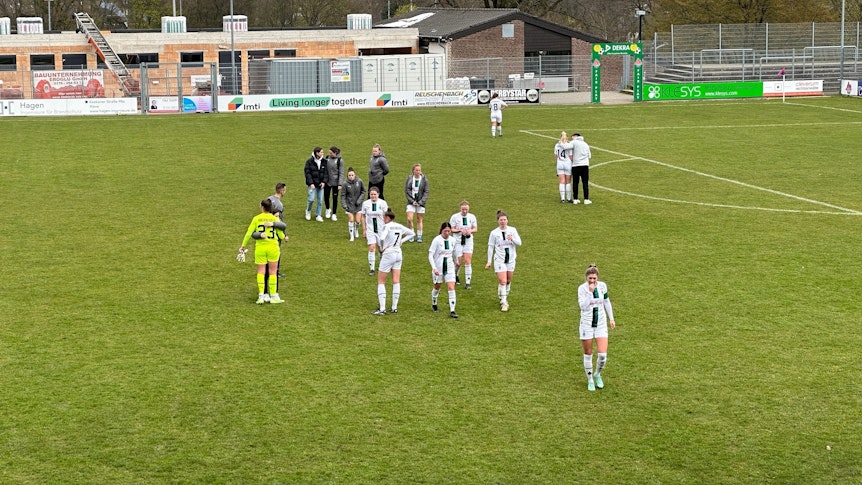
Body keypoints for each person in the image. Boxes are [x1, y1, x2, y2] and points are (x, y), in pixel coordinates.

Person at [240, 198, 287, 304]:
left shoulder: (256, 218)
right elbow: (280, 234)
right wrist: (284, 237)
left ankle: (261, 296)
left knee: (261, 271)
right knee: (273, 272)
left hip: (260, 248)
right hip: (273, 247)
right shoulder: (274, 219)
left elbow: (249, 233)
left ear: (262, 207)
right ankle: (273, 296)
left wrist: (243, 245)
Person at [577, 264, 617, 391]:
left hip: (600, 324)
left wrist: (611, 318)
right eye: (590, 278)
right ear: (586, 278)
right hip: (586, 324)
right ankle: (590, 380)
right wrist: (589, 293)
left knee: (602, 355)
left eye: (594, 278)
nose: (592, 281)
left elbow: (606, 301)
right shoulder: (582, 289)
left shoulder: (602, 286)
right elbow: (583, 307)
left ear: (597, 277)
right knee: (588, 353)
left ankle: (597, 374)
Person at [372, 209, 415, 315]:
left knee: (381, 281)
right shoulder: (399, 226)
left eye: (384, 217)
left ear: (387, 218)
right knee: (396, 280)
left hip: (389, 253)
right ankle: (394, 307)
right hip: (398, 253)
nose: (383, 219)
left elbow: (382, 238)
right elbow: (412, 233)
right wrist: (401, 241)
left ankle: (382, 309)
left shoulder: (387, 226)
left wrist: (381, 247)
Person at [485, 210, 521, 312]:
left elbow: (519, 243)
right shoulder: (494, 233)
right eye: (501, 220)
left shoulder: (512, 230)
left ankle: (502, 296)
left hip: (511, 259)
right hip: (499, 260)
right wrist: (489, 261)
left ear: (507, 220)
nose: (503, 221)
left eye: (504, 220)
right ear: (498, 221)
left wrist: (512, 239)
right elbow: (491, 247)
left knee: (508, 281)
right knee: (503, 281)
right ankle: (504, 303)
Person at [428, 222, 459, 318]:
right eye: (445, 231)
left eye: (449, 231)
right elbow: (430, 255)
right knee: (437, 286)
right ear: (441, 230)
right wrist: (434, 268)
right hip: (439, 266)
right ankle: (434, 302)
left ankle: (452, 310)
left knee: (451, 286)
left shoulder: (453, 240)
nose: (447, 233)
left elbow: (454, 252)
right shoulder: (436, 240)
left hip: (449, 266)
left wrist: (456, 261)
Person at [360, 186, 389, 275]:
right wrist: (364, 229)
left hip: (381, 229)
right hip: (370, 230)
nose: (373, 196)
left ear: (378, 194)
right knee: (372, 248)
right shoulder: (365, 204)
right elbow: (363, 216)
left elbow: (387, 216)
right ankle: (372, 268)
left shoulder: (383, 203)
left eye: (374, 194)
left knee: (381, 249)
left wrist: (387, 228)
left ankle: (381, 265)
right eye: (371, 194)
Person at [264, 183, 287, 291]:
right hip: (275, 231)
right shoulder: (279, 205)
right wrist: (284, 234)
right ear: (281, 191)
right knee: (276, 252)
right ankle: (275, 271)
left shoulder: (268, 199)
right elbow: (280, 222)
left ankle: (267, 269)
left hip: (266, 230)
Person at [449, 200, 477, 289]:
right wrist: (459, 230)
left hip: (468, 241)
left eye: (466, 209)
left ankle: (468, 283)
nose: (465, 211)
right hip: (457, 242)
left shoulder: (472, 217)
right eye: (463, 209)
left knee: (468, 261)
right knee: (458, 262)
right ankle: (455, 275)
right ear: (460, 209)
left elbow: (475, 228)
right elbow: (451, 229)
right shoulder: (454, 217)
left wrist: (470, 231)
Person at [404, 163, 429, 243]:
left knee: (419, 219)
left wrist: (421, 202)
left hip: (420, 202)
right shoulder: (409, 178)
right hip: (411, 201)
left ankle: (419, 235)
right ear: (413, 171)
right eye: (416, 170)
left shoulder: (424, 180)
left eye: (419, 170)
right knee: (409, 218)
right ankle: (411, 234)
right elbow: (407, 190)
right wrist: (412, 201)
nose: (418, 172)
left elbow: (426, 192)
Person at [340, 167, 366, 242]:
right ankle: (351, 236)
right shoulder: (345, 184)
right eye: (349, 175)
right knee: (351, 220)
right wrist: (344, 205)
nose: (351, 177)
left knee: (357, 221)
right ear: (347, 176)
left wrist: (359, 200)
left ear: (355, 175)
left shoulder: (359, 181)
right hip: (349, 205)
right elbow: (343, 195)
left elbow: (363, 191)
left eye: (352, 175)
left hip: (358, 205)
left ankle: (356, 229)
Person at [304, 146, 327, 221]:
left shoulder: (324, 162)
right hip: (312, 185)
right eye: (321, 152)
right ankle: (308, 211)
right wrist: (311, 183)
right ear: (317, 153)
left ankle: (318, 215)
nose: (322, 153)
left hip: (320, 185)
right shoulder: (309, 162)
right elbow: (307, 173)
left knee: (320, 201)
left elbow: (326, 173)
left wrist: (324, 182)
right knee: (311, 199)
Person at [570, 132, 592, 204]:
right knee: (585, 182)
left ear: (575, 137)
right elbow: (589, 156)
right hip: (585, 165)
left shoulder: (574, 143)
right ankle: (586, 199)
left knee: (575, 182)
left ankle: (575, 199)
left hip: (575, 165)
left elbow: (566, 147)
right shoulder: (586, 144)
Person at [324, 146, 344, 221]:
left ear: (335, 153)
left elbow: (341, 173)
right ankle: (327, 209)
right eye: (329, 153)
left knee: (335, 198)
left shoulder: (340, 161)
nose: (329, 154)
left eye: (331, 153)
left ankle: (334, 214)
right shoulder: (327, 158)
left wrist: (340, 184)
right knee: (326, 196)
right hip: (327, 182)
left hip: (336, 183)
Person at [554, 132, 573, 203]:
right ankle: (568, 198)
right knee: (568, 182)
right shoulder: (569, 145)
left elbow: (556, 156)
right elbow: (571, 156)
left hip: (559, 163)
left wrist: (557, 163)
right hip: (567, 163)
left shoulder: (557, 145)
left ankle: (562, 199)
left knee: (561, 181)